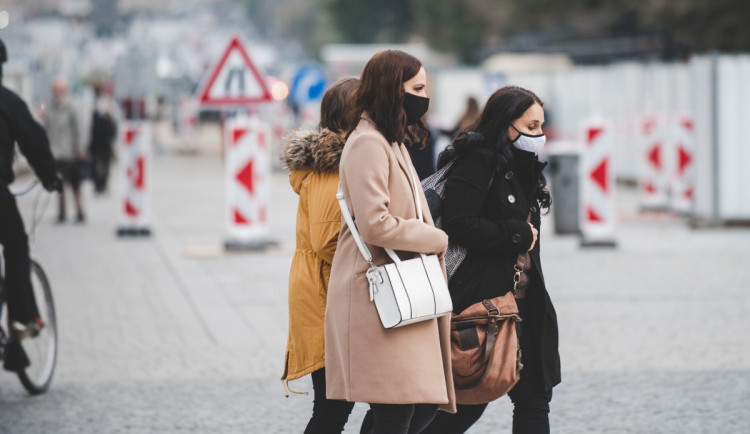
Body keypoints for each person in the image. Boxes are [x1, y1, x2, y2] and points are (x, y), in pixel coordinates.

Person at [325, 49, 456, 434]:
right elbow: (375, 224)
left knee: (418, 404)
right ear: (390, 89)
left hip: (401, 292)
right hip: (379, 295)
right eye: (416, 88)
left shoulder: (390, 140)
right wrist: (435, 238)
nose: (424, 97)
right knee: (398, 409)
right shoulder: (368, 143)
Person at [422, 86, 561, 434]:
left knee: (533, 399)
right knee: (469, 400)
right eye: (530, 127)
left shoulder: (523, 165)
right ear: (504, 124)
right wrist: (516, 233)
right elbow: (458, 223)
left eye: (541, 127)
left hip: (524, 300)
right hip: (483, 300)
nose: (538, 136)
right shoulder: (478, 160)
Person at [280, 77, 360, 434]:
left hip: (324, 292)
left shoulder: (339, 160)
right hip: (326, 296)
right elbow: (329, 240)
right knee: (332, 409)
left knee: (335, 407)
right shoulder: (333, 166)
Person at [0, 39, 60, 365]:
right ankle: (22, 323)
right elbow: (34, 144)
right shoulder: (8, 102)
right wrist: (50, 177)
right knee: (16, 244)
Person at [45, 78, 84, 223]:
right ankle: (62, 213)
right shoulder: (51, 109)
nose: (54, 93)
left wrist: (79, 148)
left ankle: (80, 212)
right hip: (56, 154)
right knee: (59, 185)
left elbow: (78, 129)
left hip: (70, 153)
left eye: (57, 90)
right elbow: (47, 130)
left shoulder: (71, 108)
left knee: (75, 185)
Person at [88, 83, 117, 195]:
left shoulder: (109, 102)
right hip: (96, 140)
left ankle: (103, 185)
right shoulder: (92, 103)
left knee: (105, 164)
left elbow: (114, 122)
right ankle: (97, 185)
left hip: (106, 140)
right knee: (96, 164)